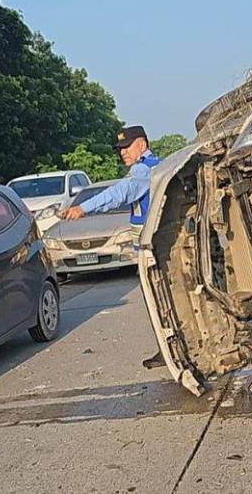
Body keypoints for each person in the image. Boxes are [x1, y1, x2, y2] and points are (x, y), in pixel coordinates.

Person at [59, 125, 165, 368]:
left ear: (142, 144)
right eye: (120, 149)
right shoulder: (152, 167)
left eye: (127, 147)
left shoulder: (144, 170)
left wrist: (83, 207)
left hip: (155, 249)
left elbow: (119, 193)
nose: (122, 153)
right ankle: (168, 347)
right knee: (158, 301)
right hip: (151, 247)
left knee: (159, 301)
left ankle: (170, 349)